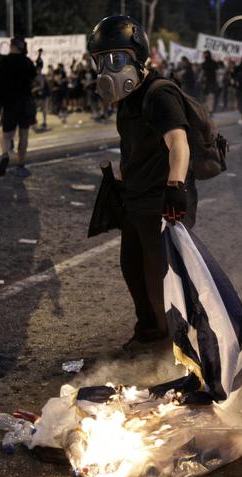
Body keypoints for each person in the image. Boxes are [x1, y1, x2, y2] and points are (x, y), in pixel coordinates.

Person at [88, 15, 192, 350]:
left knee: (162, 276)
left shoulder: (158, 94)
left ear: (137, 57)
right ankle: (149, 330)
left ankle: (175, 343)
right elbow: (134, 146)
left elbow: (178, 142)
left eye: (115, 59)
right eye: (101, 60)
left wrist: (175, 187)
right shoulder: (127, 101)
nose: (107, 68)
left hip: (162, 203)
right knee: (132, 267)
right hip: (136, 200)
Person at [0, 37, 37, 177]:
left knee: (6, 135)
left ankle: (5, 154)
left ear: (11, 46)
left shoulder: (2, 61)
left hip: (9, 103)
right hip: (26, 101)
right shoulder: (27, 61)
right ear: (21, 47)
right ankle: (20, 165)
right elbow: (35, 80)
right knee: (24, 134)